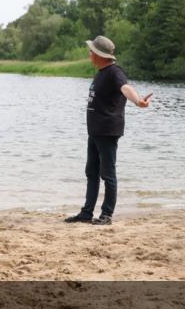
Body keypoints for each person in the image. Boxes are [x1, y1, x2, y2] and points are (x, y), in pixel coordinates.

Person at [65, 36, 152, 225]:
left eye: (91, 51)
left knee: (108, 174)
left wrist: (138, 101)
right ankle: (86, 213)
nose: (89, 54)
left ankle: (106, 215)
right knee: (91, 172)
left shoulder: (114, 72)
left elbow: (126, 88)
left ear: (98, 54)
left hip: (107, 131)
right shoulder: (101, 73)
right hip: (95, 131)